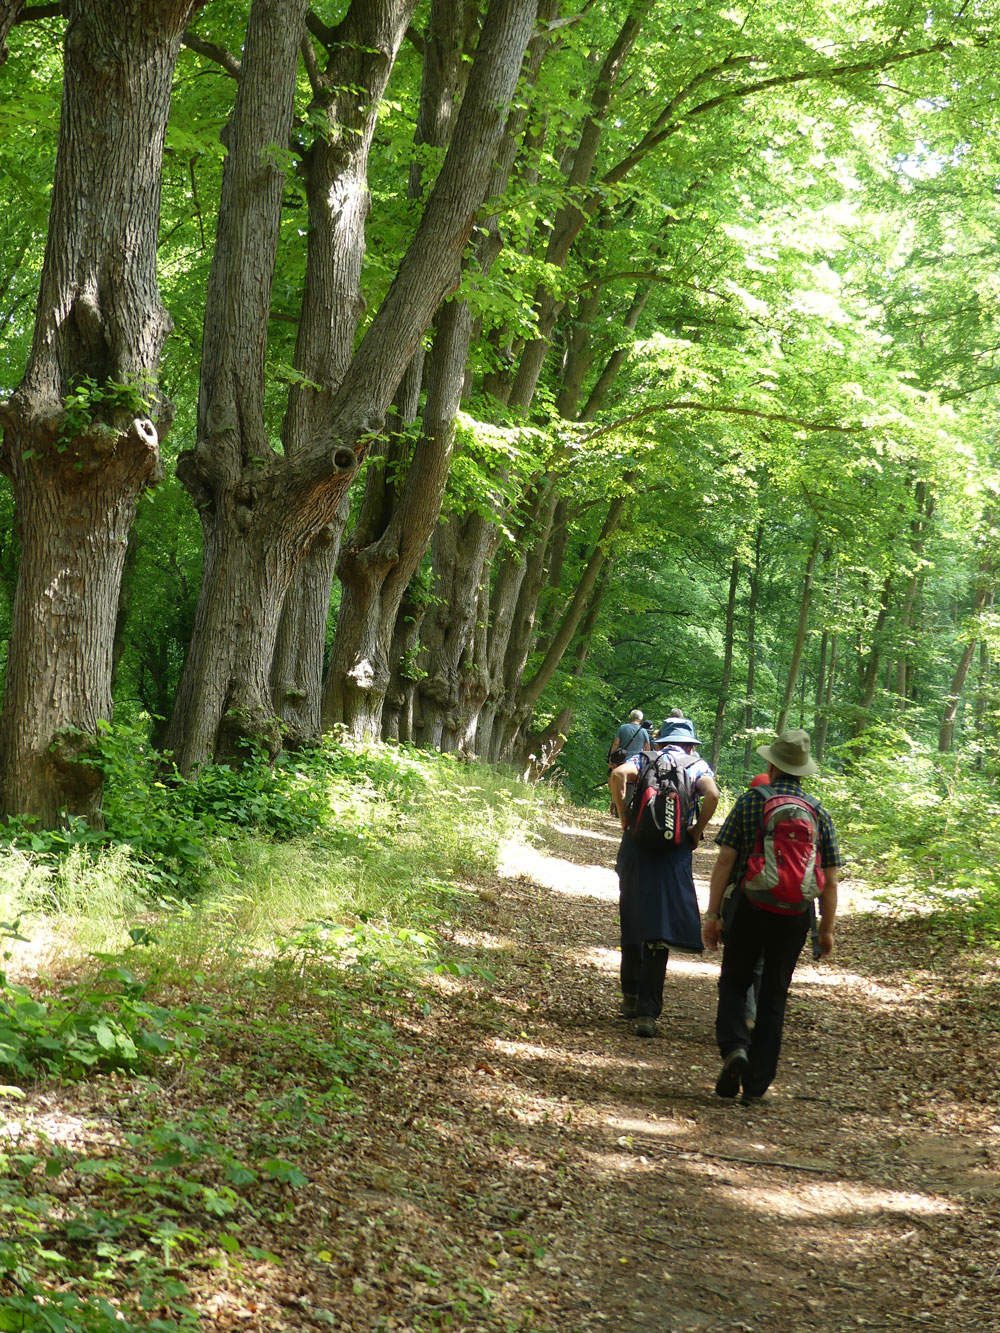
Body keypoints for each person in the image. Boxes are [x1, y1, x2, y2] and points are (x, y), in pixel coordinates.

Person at [702, 729, 842, 1105]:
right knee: (775, 992)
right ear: (803, 770)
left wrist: (713, 915)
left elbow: (725, 862)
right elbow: (829, 879)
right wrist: (825, 930)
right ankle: (758, 1083)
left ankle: (735, 1046)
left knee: (735, 980)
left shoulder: (750, 803)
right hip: (795, 914)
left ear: (771, 764)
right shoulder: (818, 812)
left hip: (749, 905)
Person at [610, 718, 720, 1035]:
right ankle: (647, 1013)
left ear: (661, 741)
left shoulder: (643, 758)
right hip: (673, 854)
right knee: (660, 928)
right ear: (690, 743)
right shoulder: (698, 765)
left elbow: (618, 775)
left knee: (632, 916)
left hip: (636, 847)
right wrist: (696, 831)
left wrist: (625, 817)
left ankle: (629, 997)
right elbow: (711, 796)